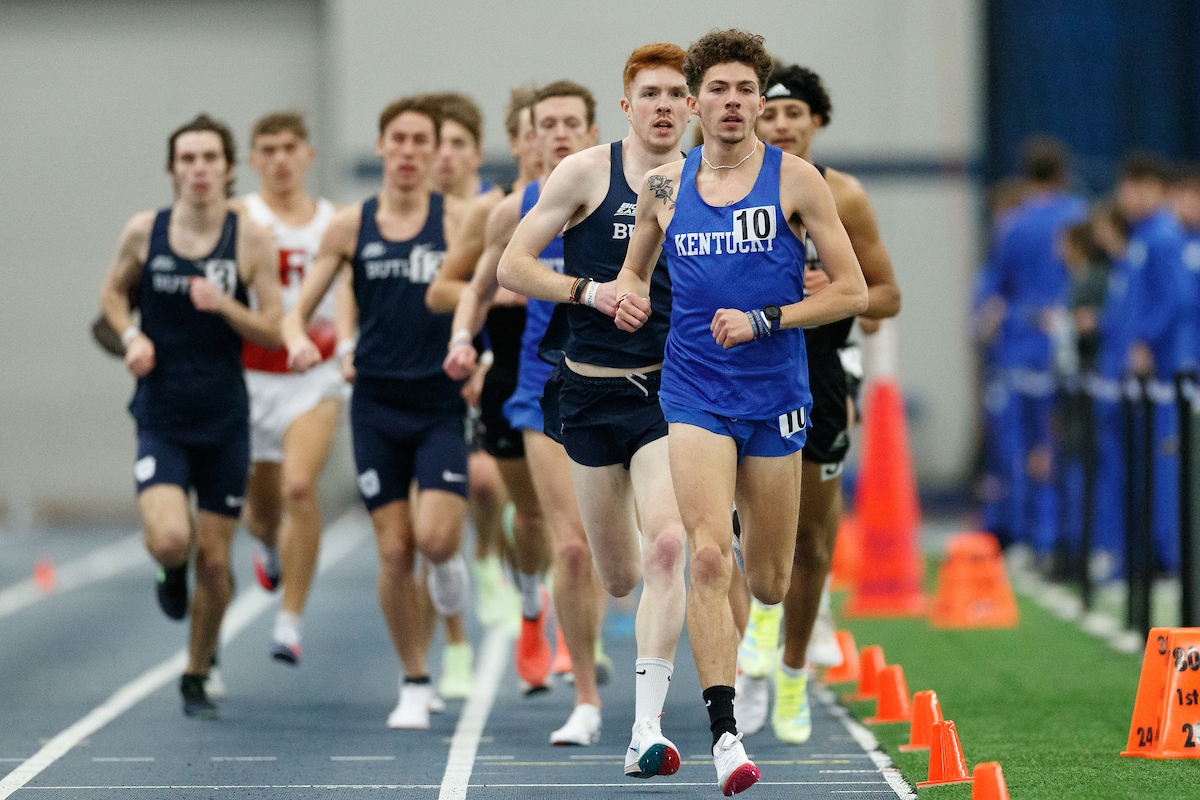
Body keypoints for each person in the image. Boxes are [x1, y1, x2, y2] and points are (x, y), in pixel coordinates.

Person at [614, 30, 867, 795]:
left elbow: (852, 291)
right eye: (716, 90)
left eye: (743, 90)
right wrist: (620, 300)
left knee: (767, 581)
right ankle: (725, 734)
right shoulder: (663, 186)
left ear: (760, 100)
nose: (730, 103)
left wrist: (767, 318)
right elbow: (634, 273)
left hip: (777, 396)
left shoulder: (798, 183)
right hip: (693, 393)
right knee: (706, 554)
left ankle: (747, 609)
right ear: (697, 101)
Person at [495, 43, 692, 778]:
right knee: (615, 575)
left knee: (668, 546)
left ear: (693, 107)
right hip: (585, 390)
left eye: (678, 93)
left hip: (670, 391)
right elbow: (512, 265)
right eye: (651, 94)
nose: (665, 105)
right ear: (628, 105)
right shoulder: (584, 173)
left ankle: (645, 726)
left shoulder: (709, 183)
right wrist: (590, 291)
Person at [282, 95, 471, 730]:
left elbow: (488, 293)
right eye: (402, 140)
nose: (413, 152)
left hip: (441, 401)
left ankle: (448, 569)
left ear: (435, 152)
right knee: (394, 551)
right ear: (384, 147)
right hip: (377, 405)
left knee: (437, 538)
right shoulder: (348, 226)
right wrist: (303, 341)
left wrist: (481, 355)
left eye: (425, 141)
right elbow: (297, 309)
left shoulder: (455, 222)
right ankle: (415, 678)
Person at [733, 63, 900, 744]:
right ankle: (751, 666)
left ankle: (795, 675)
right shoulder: (721, 186)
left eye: (793, 114)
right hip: (737, 371)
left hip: (820, 374)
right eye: (768, 114)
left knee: (811, 540)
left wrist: (834, 284)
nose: (780, 125)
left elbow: (885, 296)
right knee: (740, 537)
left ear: (816, 122)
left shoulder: (844, 196)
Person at [444, 80, 612, 745]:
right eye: (550, 125)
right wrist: (464, 338)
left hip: (616, 385)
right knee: (552, 529)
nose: (562, 134)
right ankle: (554, 637)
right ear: (530, 137)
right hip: (539, 384)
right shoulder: (515, 209)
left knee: (600, 541)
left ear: (593, 130)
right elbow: (478, 286)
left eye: (575, 122)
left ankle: (579, 641)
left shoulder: (620, 199)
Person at [99, 114, 282, 718]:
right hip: (162, 412)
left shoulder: (250, 238)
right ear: (173, 169)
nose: (199, 169)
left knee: (214, 558)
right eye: (187, 159)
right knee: (173, 541)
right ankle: (167, 574)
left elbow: (275, 328)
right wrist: (130, 337)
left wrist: (225, 303)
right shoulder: (143, 232)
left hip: (224, 417)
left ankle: (197, 672)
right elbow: (111, 294)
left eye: (209, 158)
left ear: (229, 169)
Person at [429, 87, 551, 689]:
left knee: (582, 527)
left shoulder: (602, 202)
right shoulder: (496, 211)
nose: (546, 142)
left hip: (582, 372)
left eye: (559, 128)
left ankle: (580, 646)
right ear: (515, 142)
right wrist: (503, 293)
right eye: (533, 131)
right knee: (528, 514)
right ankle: (529, 598)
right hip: (507, 366)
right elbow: (446, 289)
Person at [238, 111, 345, 667]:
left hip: (314, 376)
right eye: (268, 149)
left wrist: (346, 349)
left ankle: (289, 619)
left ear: (308, 154)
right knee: (261, 510)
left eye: (289, 148)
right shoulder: (240, 219)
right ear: (253, 160)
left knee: (300, 489)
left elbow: (348, 295)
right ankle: (264, 544)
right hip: (250, 377)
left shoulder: (333, 222)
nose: (280, 159)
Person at [986, 137, 1087, 562]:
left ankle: (1030, 537)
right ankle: (1065, 536)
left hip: (1021, 345)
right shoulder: (1079, 215)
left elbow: (999, 287)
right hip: (1066, 343)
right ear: (1062, 174)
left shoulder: (1013, 224)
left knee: (1023, 446)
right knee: (1064, 442)